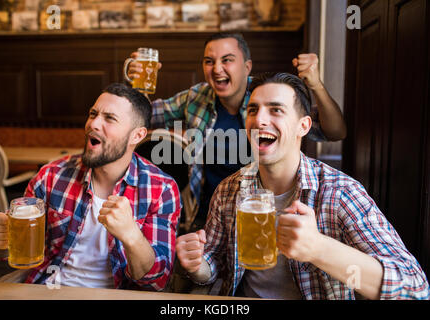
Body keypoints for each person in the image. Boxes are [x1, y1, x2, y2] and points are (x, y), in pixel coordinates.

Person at [175, 72, 430, 299]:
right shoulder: (229, 190)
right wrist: (197, 265)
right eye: (253, 110)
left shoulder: (339, 192)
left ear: (303, 126)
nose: (259, 120)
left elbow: (414, 288)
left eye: (275, 110)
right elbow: (215, 264)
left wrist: (319, 248)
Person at [127, 32, 347, 229]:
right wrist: (135, 85)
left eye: (227, 60)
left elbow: (335, 132)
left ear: (247, 67)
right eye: (209, 61)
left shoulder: (265, 96)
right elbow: (141, 116)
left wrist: (316, 84)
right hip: (206, 218)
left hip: (259, 215)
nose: (217, 68)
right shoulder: (196, 97)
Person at [0, 83, 181, 291]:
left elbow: (157, 281)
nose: (93, 124)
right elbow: (18, 249)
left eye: (109, 118)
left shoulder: (162, 189)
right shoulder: (51, 175)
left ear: (137, 136)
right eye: (93, 114)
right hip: (49, 290)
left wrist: (132, 235)